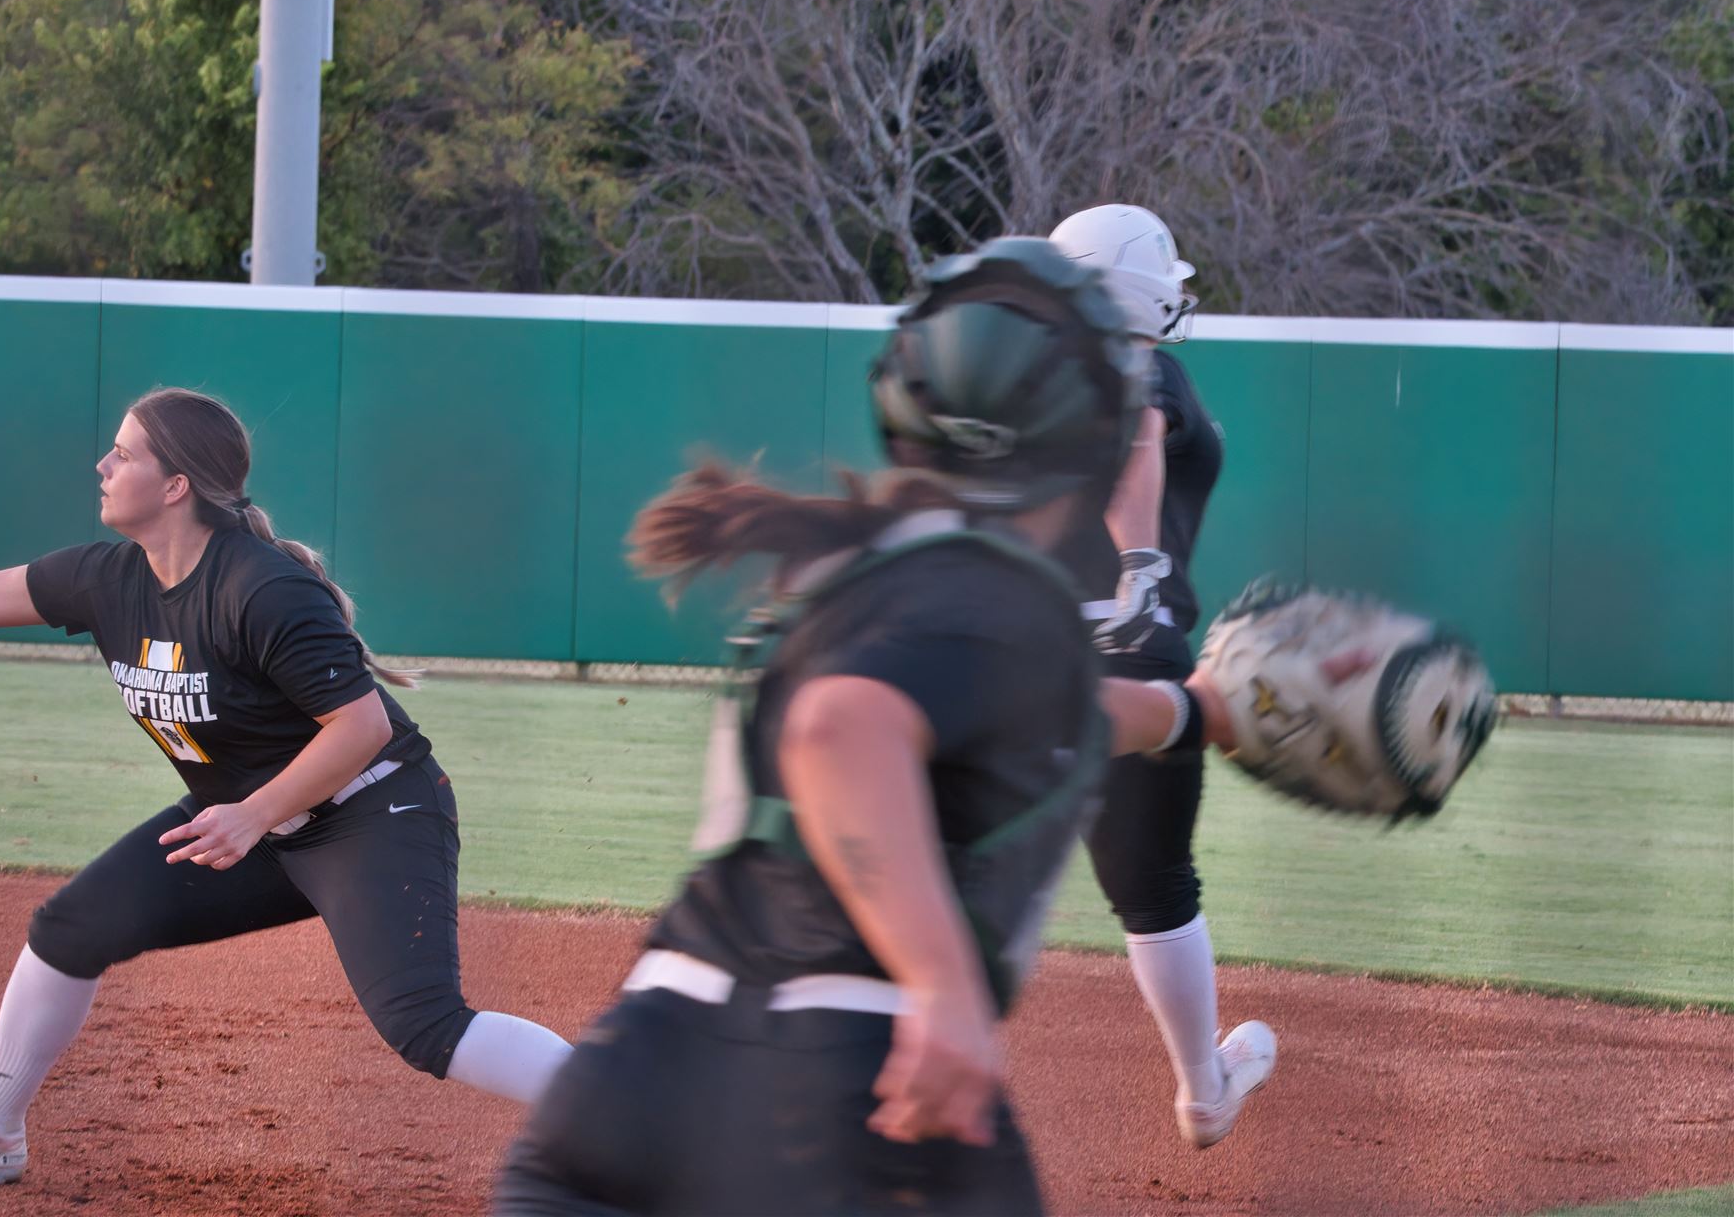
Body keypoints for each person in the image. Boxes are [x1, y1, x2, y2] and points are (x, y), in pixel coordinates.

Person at [490, 239, 1259, 1217]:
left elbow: (1044, 704)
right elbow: (840, 729)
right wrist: (942, 986)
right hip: (855, 1095)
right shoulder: (1002, 589)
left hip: (629, 1086)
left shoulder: (858, 563)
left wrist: (1197, 710)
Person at [0, 387, 573, 1185]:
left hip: (369, 812)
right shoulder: (106, 578)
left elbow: (362, 728)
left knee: (424, 1025)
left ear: (176, 485)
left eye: (124, 452)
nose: (102, 464)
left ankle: (635, 1121)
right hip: (244, 818)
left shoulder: (261, 587)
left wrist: (254, 814)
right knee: (70, 929)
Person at [1049, 203, 1274, 1148]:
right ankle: (1202, 1089)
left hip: (1024, 653)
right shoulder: (1143, 368)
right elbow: (1136, 443)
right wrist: (1139, 562)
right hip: (1133, 656)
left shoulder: (1030, 386)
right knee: (1152, 890)